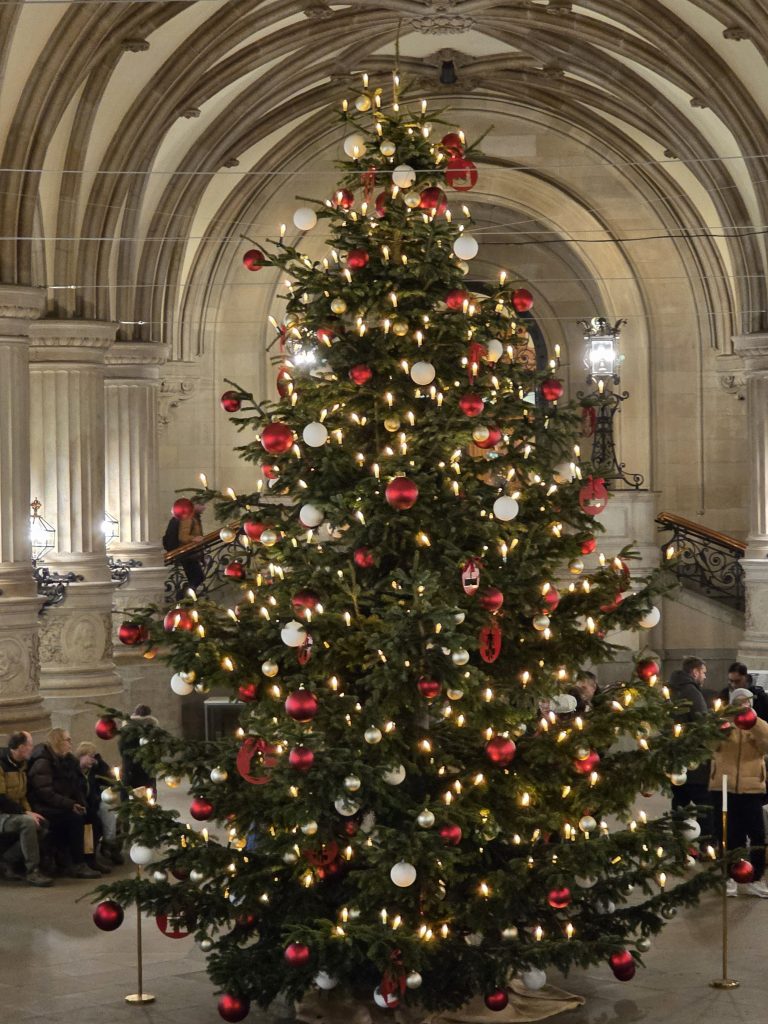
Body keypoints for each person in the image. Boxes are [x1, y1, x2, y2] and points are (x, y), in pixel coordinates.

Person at [710, 688, 768, 897]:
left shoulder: (759, 725)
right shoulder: (722, 722)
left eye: (747, 702)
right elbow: (710, 744)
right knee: (729, 834)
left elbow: (766, 747)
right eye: (739, 702)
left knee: (757, 835)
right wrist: (723, 722)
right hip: (724, 785)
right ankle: (730, 877)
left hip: (751, 786)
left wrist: (755, 723)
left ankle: (756, 877)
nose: (743, 705)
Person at [27, 728, 100, 879]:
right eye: (67, 740)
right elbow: (44, 792)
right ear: (58, 742)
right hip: (45, 807)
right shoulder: (43, 761)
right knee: (74, 819)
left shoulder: (69, 760)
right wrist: (70, 804)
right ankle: (77, 864)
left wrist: (80, 803)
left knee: (91, 816)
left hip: (62, 804)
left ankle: (89, 859)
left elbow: (76, 785)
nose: (70, 743)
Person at [0, 732, 53, 886]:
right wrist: (25, 813)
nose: (32, 748)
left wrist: (30, 811)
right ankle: (33, 871)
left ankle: (7, 859)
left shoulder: (21, 765)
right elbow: (1, 798)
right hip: (2, 813)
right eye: (30, 744)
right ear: (22, 747)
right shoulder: (1, 765)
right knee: (28, 823)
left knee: (42, 823)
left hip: (13, 812)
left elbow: (22, 796)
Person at [668, 656, 712, 838]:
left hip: (674, 759)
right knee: (704, 806)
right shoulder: (692, 691)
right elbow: (703, 723)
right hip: (694, 761)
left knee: (680, 804)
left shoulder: (671, 689)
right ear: (695, 672)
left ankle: (681, 848)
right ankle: (706, 844)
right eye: (703, 673)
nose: (704, 677)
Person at [75, 742, 115, 874]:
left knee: (97, 821)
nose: (93, 760)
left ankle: (97, 855)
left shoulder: (92, 770)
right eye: (91, 756)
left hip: (91, 805)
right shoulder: (74, 770)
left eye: (94, 757)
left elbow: (111, 780)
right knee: (92, 823)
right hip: (78, 805)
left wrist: (100, 762)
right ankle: (89, 860)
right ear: (82, 755)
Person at [163, 506, 205, 595]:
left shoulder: (193, 517)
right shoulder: (188, 518)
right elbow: (183, 537)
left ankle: (186, 597)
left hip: (189, 553)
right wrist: (194, 539)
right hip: (187, 553)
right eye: (201, 505)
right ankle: (183, 597)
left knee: (196, 578)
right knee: (198, 577)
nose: (204, 507)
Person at [119, 705, 159, 794]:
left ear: (135, 713)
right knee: (147, 798)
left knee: (128, 798)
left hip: (129, 769)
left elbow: (122, 750)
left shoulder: (126, 730)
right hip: (147, 770)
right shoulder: (153, 731)